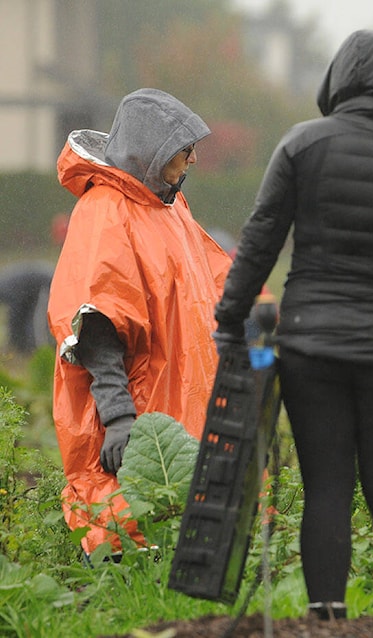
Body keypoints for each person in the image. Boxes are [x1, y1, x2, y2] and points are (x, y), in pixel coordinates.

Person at [213, 30, 373, 620]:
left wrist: (229, 320)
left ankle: (326, 618)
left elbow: (259, 241)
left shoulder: (302, 146)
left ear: (337, 77)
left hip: (310, 347)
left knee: (326, 486)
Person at [47, 88, 233, 557]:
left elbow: (208, 286)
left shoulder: (171, 206)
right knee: (125, 517)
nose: (191, 161)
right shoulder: (106, 211)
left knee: (179, 514)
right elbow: (95, 323)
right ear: (151, 150)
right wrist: (118, 416)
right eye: (182, 151)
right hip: (137, 399)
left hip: (183, 394)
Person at [0, 260, 55, 354]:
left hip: (45, 284)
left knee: (38, 323)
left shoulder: (4, 290)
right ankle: (27, 350)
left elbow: (16, 313)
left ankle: (42, 352)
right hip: (30, 290)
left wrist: (13, 342)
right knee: (28, 321)